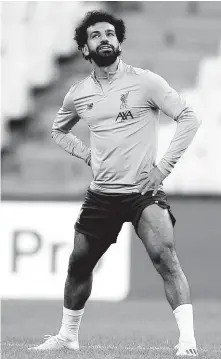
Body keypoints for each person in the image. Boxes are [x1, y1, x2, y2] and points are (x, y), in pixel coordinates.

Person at [29, 10, 201, 356]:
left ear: (119, 42)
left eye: (110, 33)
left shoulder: (146, 82)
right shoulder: (78, 94)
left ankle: (188, 342)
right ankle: (68, 337)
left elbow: (189, 118)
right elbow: (57, 130)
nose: (104, 38)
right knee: (79, 264)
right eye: (96, 35)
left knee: (165, 258)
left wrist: (163, 168)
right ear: (84, 50)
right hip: (102, 196)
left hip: (143, 193)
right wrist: (88, 154)